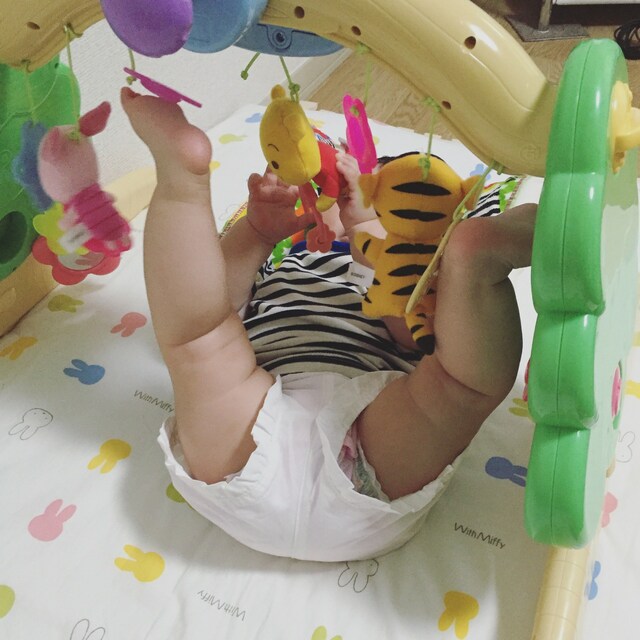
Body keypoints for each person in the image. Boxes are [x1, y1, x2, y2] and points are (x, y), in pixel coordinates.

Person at [121, 87, 537, 561]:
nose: (344, 204)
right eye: (335, 193)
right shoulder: (287, 259)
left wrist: (369, 237)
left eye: (382, 204)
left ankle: (473, 260)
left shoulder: (413, 275)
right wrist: (256, 233)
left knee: (198, 342)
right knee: (204, 334)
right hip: (256, 415)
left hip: (368, 433)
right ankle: (182, 181)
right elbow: (221, 300)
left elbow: (412, 334)